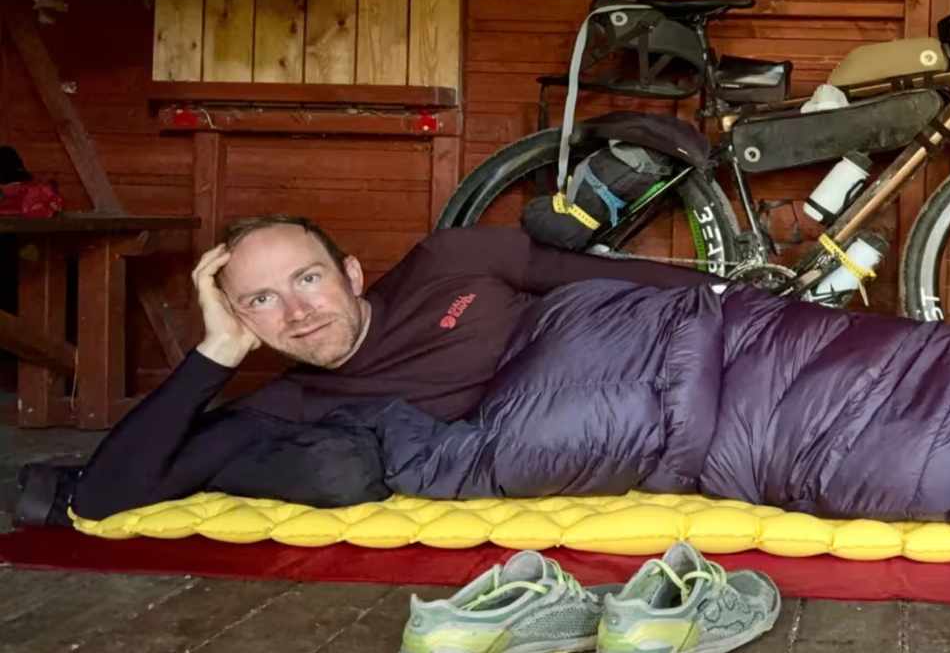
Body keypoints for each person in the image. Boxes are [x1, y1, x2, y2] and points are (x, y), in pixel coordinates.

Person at [15, 216, 717, 526]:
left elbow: (640, 284)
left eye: (309, 279)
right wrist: (217, 353)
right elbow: (104, 498)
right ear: (244, 319)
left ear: (351, 273)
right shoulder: (294, 403)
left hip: (669, 372)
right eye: (261, 301)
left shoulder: (452, 262)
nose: (297, 312)